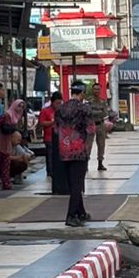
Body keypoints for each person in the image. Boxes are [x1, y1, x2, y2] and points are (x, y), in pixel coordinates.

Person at [54, 81, 94, 226]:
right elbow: (91, 129)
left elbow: (56, 129)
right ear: (82, 93)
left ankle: (81, 212)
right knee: (77, 184)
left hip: (64, 149)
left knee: (73, 183)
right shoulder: (84, 109)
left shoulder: (60, 108)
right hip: (78, 149)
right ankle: (71, 216)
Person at [86, 81, 113, 172]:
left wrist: (95, 111)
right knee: (88, 145)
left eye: (98, 89)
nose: (96, 91)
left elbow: (105, 113)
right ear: (92, 90)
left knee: (101, 144)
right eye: (95, 89)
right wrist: (99, 111)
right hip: (91, 124)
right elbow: (88, 112)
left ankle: (100, 163)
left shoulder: (103, 101)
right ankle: (86, 163)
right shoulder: (88, 101)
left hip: (100, 124)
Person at [37, 89, 61, 188]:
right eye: (57, 103)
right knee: (50, 155)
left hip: (59, 137)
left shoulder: (61, 111)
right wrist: (52, 122)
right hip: (49, 137)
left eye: (60, 103)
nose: (58, 105)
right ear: (52, 102)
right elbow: (41, 122)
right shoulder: (45, 111)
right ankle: (50, 172)